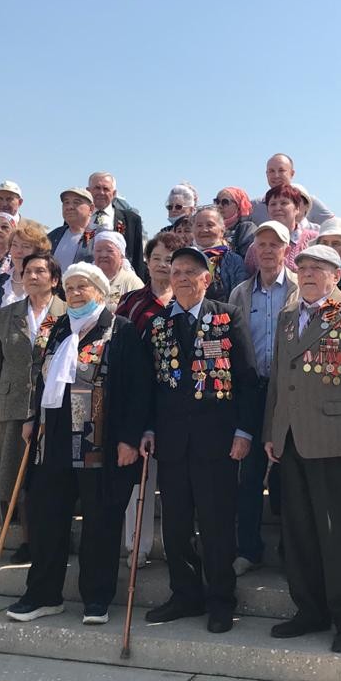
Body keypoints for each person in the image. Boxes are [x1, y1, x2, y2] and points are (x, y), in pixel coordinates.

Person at [263, 244, 341, 653]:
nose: (307, 275)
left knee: (338, 535)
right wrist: (271, 430)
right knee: (298, 531)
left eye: (317, 269)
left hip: (337, 438)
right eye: (302, 268)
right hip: (291, 438)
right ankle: (310, 610)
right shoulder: (287, 316)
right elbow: (278, 381)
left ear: (336, 275)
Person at [5, 262, 151, 624]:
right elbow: (39, 379)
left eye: (82, 287)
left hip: (102, 439)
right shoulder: (56, 330)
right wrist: (32, 419)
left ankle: (97, 597)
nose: (74, 293)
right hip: (53, 437)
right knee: (47, 516)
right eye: (69, 288)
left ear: (100, 292)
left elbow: (139, 390)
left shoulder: (121, 330)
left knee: (100, 521)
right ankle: (43, 593)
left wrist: (130, 438)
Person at [140, 247, 258, 634]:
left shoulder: (226, 316)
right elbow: (151, 387)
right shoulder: (157, 324)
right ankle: (185, 595)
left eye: (192, 271)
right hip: (172, 443)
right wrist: (148, 429)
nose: (184, 277)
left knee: (216, 525)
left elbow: (247, 378)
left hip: (217, 442)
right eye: (177, 272)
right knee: (174, 526)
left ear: (207, 279)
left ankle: (221, 600)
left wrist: (244, 431)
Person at [0, 254, 67, 563]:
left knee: (44, 476)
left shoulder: (64, 312)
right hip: (12, 401)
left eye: (40, 271)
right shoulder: (8, 314)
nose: (32, 275)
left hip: (50, 404)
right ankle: (25, 539)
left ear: (54, 279)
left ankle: (48, 536)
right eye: (27, 270)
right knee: (13, 474)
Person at [228, 221, 300, 576]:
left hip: (292, 390)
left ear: (287, 248)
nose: (268, 250)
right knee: (250, 474)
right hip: (253, 390)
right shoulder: (240, 293)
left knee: (291, 474)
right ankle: (248, 549)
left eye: (276, 244)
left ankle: (293, 550)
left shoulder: (302, 289)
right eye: (262, 244)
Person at [116, 231, 188, 567]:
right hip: (136, 395)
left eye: (170, 260)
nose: (163, 265)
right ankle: (136, 546)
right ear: (146, 261)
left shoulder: (186, 301)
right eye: (157, 258)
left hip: (176, 401)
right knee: (138, 477)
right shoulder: (131, 302)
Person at [0, 222, 53, 394]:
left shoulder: (50, 285)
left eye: (25, 246)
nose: (18, 251)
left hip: (37, 370)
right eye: (14, 245)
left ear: (38, 251)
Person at [246, 184, 319, 274]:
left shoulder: (314, 240)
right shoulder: (255, 247)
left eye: (284, 203)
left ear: (297, 208)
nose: (277, 208)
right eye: (273, 204)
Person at [86, 172, 145, 277]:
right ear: (88, 191)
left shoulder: (131, 220)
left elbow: (137, 259)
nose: (101, 192)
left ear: (114, 193)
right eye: (97, 188)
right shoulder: (78, 217)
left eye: (106, 189)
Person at [249, 154, 334, 225]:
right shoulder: (255, 206)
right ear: (267, 174)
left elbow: (335, 227)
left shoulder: (308, 201)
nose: (276, 175)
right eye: (271, 171)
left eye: (281, 170)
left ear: (292, 173)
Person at [193, 206, 248, 302]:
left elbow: (241, 297)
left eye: (210, 225)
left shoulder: (233, 261)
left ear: (222, 230)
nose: (204, 230)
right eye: (199, 225)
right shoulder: (188, 259)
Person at [48, 187, 97, 270]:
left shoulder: (100, 236)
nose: (70, 207)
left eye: (76, 202)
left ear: (91, 209)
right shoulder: (53, 236)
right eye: (66, 202)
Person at [92, 230, 143, 308]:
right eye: (98, 250)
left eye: (109, 251)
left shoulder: (131, 282)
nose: (103, 255)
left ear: (121, 255)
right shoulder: (85, 278)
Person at [214, 188, 256, 258]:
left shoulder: (246, 228)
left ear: (238, 206)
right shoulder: (212, 228)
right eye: (217, 202)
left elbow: (246, 257)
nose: (219, 206)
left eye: (225, 202)